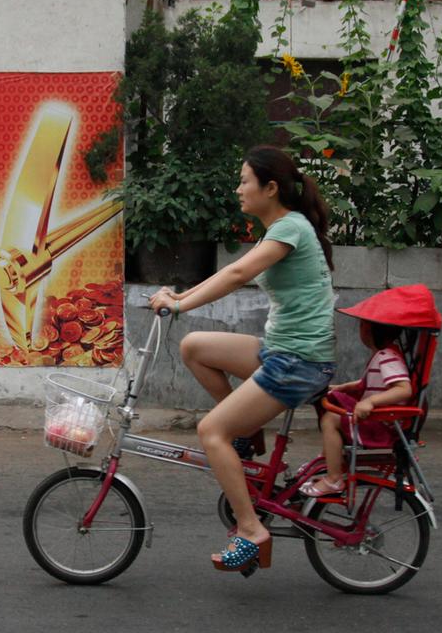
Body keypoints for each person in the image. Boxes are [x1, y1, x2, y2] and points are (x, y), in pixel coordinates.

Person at [148, 145, 336, 573]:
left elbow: (236, 275)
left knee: (210, 431)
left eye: (244, 181)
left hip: (298, 362)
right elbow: (230, 271)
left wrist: (178, 306)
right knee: (194, 347)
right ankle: (249, 437)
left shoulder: (291, 229)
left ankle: (251, 530)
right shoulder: (285, 227)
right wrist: (180, 297)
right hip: (283, 352)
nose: (238, 189)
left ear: (270, 188)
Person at [300, 319, 412, 498]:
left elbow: (404, 389)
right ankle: (329, 458)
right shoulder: (384, 354)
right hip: (377, 420)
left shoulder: (387, 356)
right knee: (331, 405)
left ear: (367, 330)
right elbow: (365, 383)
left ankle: (334, 477)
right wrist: (343, 387)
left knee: (330, 419)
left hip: (380, 425)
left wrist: (371, 401)